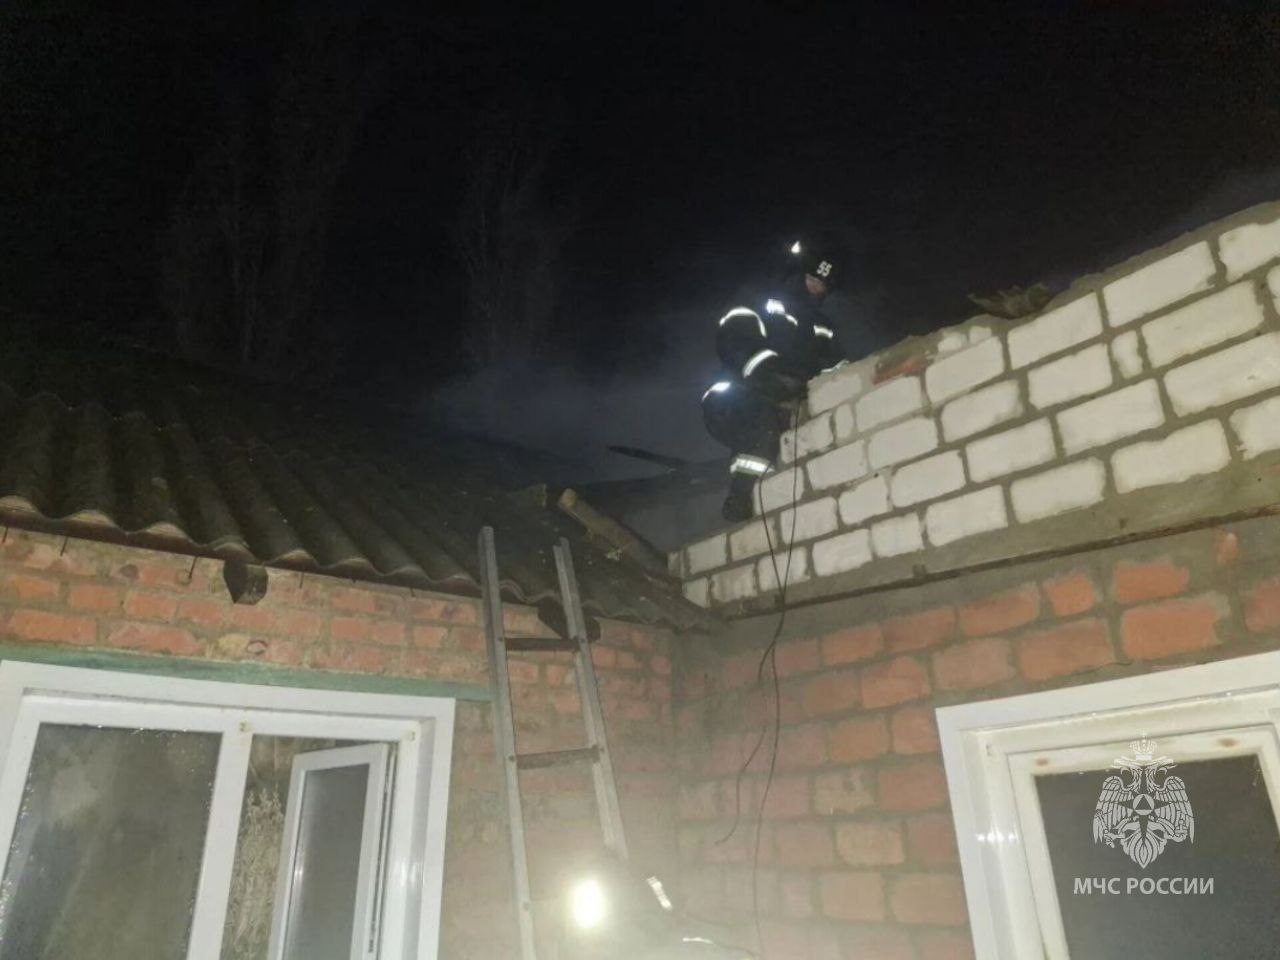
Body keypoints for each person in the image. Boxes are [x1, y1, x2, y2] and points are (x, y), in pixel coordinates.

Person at [701, 238, 847, 522]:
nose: (815, 288)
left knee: (785, 433)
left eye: (822, 285)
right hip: (733, 398)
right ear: (797, 275)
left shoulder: (821, 326)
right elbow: (735, 342)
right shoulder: (759, 303)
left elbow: (836, 367)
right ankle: (740, 499)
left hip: (782, 404)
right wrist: (775, 374)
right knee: (764, 426)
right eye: (811, 279)